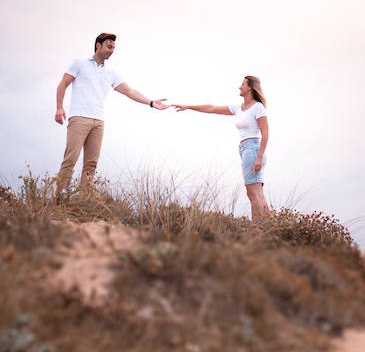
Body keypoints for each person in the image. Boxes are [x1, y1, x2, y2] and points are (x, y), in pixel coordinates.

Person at [54, 32, 168, 197]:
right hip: (79, 118)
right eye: (109, 46)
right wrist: (59, 107)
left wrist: (150, 102)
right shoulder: (79, 64)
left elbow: (128, 90)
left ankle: (83, 201)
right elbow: (63, 84)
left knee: (91, 164)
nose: (111, 50)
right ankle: (60, 199)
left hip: (98, 122)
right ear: (98, 45)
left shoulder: (110, 73)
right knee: (70, 160)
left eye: (113, 48)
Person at [173, 75, 269, 218]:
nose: (239, 86)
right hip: (245, 150)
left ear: (250, 87)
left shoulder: (258, 107)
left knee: (253, 193)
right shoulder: (239, 108)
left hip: (253, 149)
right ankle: (269, 226)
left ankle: (258, 228)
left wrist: (259, 157)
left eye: (242, 84)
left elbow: (265, 133)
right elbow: (211, 108)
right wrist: (188, 107)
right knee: (258, 193)